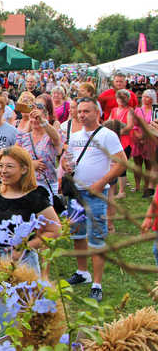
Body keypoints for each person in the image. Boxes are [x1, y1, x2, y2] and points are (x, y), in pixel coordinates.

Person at [61, 97, 127, 302]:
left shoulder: (107, 135)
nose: (82, 115)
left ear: (97, 113)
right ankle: (83, 272)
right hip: (76, 193)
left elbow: (122, 162)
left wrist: (102, 182)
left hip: (96, 193)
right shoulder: (74, 135)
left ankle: (97, 283)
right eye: (79, 111)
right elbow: (67, 158)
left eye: (86, 111)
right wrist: (66, 165)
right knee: (77, 236)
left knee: (97, 239)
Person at [0, 146, 61, 275]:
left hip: (22, 260)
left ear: (24, 169)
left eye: (9, 166)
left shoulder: (35, 197)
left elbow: (55, 230)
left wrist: (24, 247)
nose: (3, 171)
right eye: (0, 166)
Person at [16, 102, 62, 203]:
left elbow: (57, 139)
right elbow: (15, 158)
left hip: (47, 185)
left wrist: (43, 121)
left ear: (46, 118)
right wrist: (31, 164)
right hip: (27, 184)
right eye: (32, 117)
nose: (35, 120)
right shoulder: (24, 137)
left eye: (38, 117)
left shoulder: (50, 136)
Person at [108, 89, 134, 199]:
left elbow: (129, 127)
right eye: (119, 97)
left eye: (124, 97)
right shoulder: (113, 110)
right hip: (114, 141)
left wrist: (115, 133)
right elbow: (109, 123)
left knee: (121, 166)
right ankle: (113, 189)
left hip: (125, 141)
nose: (121, 100)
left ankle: (122, 191)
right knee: (112, 165)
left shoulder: (130, 111)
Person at [131, 89, 156, 197]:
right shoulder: (138, 110)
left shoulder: (155, 111)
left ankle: (147, 187)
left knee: (149, 165)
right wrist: (138, 137)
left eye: (148, 97)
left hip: (151, 140)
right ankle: (137, 186)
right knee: (137, 164)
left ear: (152, 99)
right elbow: (134, 125)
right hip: (138, 139)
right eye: (144, 96)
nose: (145, 99)